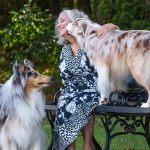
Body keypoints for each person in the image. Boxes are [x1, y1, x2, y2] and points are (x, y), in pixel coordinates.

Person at [51, 9, 119, 150]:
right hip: (72, 93)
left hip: (96, 91)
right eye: (58, 22)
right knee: (65, 100)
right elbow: (66, 81)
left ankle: (88, 145)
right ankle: (71, 148)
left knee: (80, 100)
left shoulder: (91, 40)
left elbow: (116, 35)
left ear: (74, 21)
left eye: (62, 20)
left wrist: (109, 26)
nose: (59, 24)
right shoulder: (65, 51)